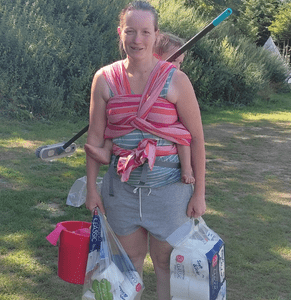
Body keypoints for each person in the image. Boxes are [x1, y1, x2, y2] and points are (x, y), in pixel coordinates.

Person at [84, 1, 206, 299]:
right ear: (120, 33)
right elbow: (95, 138)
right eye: (130, 31)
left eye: (145, 32)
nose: (137, 39)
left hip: (169, 194)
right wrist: (91, 188)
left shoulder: (176, 79)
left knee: (165, 266)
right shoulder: (104, 79)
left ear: (155, 34)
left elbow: (197, 138)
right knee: (128, 265)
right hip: (121, 193)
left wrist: (200, 192)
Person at [85, 31, 195, 183]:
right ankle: (106, 150)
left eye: (180, 62)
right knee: (116, 124)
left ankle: (187, 169)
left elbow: (194, 133)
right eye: (174, 60)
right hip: (128, 129)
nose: (177, 66)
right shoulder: (130, 79)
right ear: (155, 56)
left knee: (181, 136)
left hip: (168, 131)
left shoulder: (175, 80)